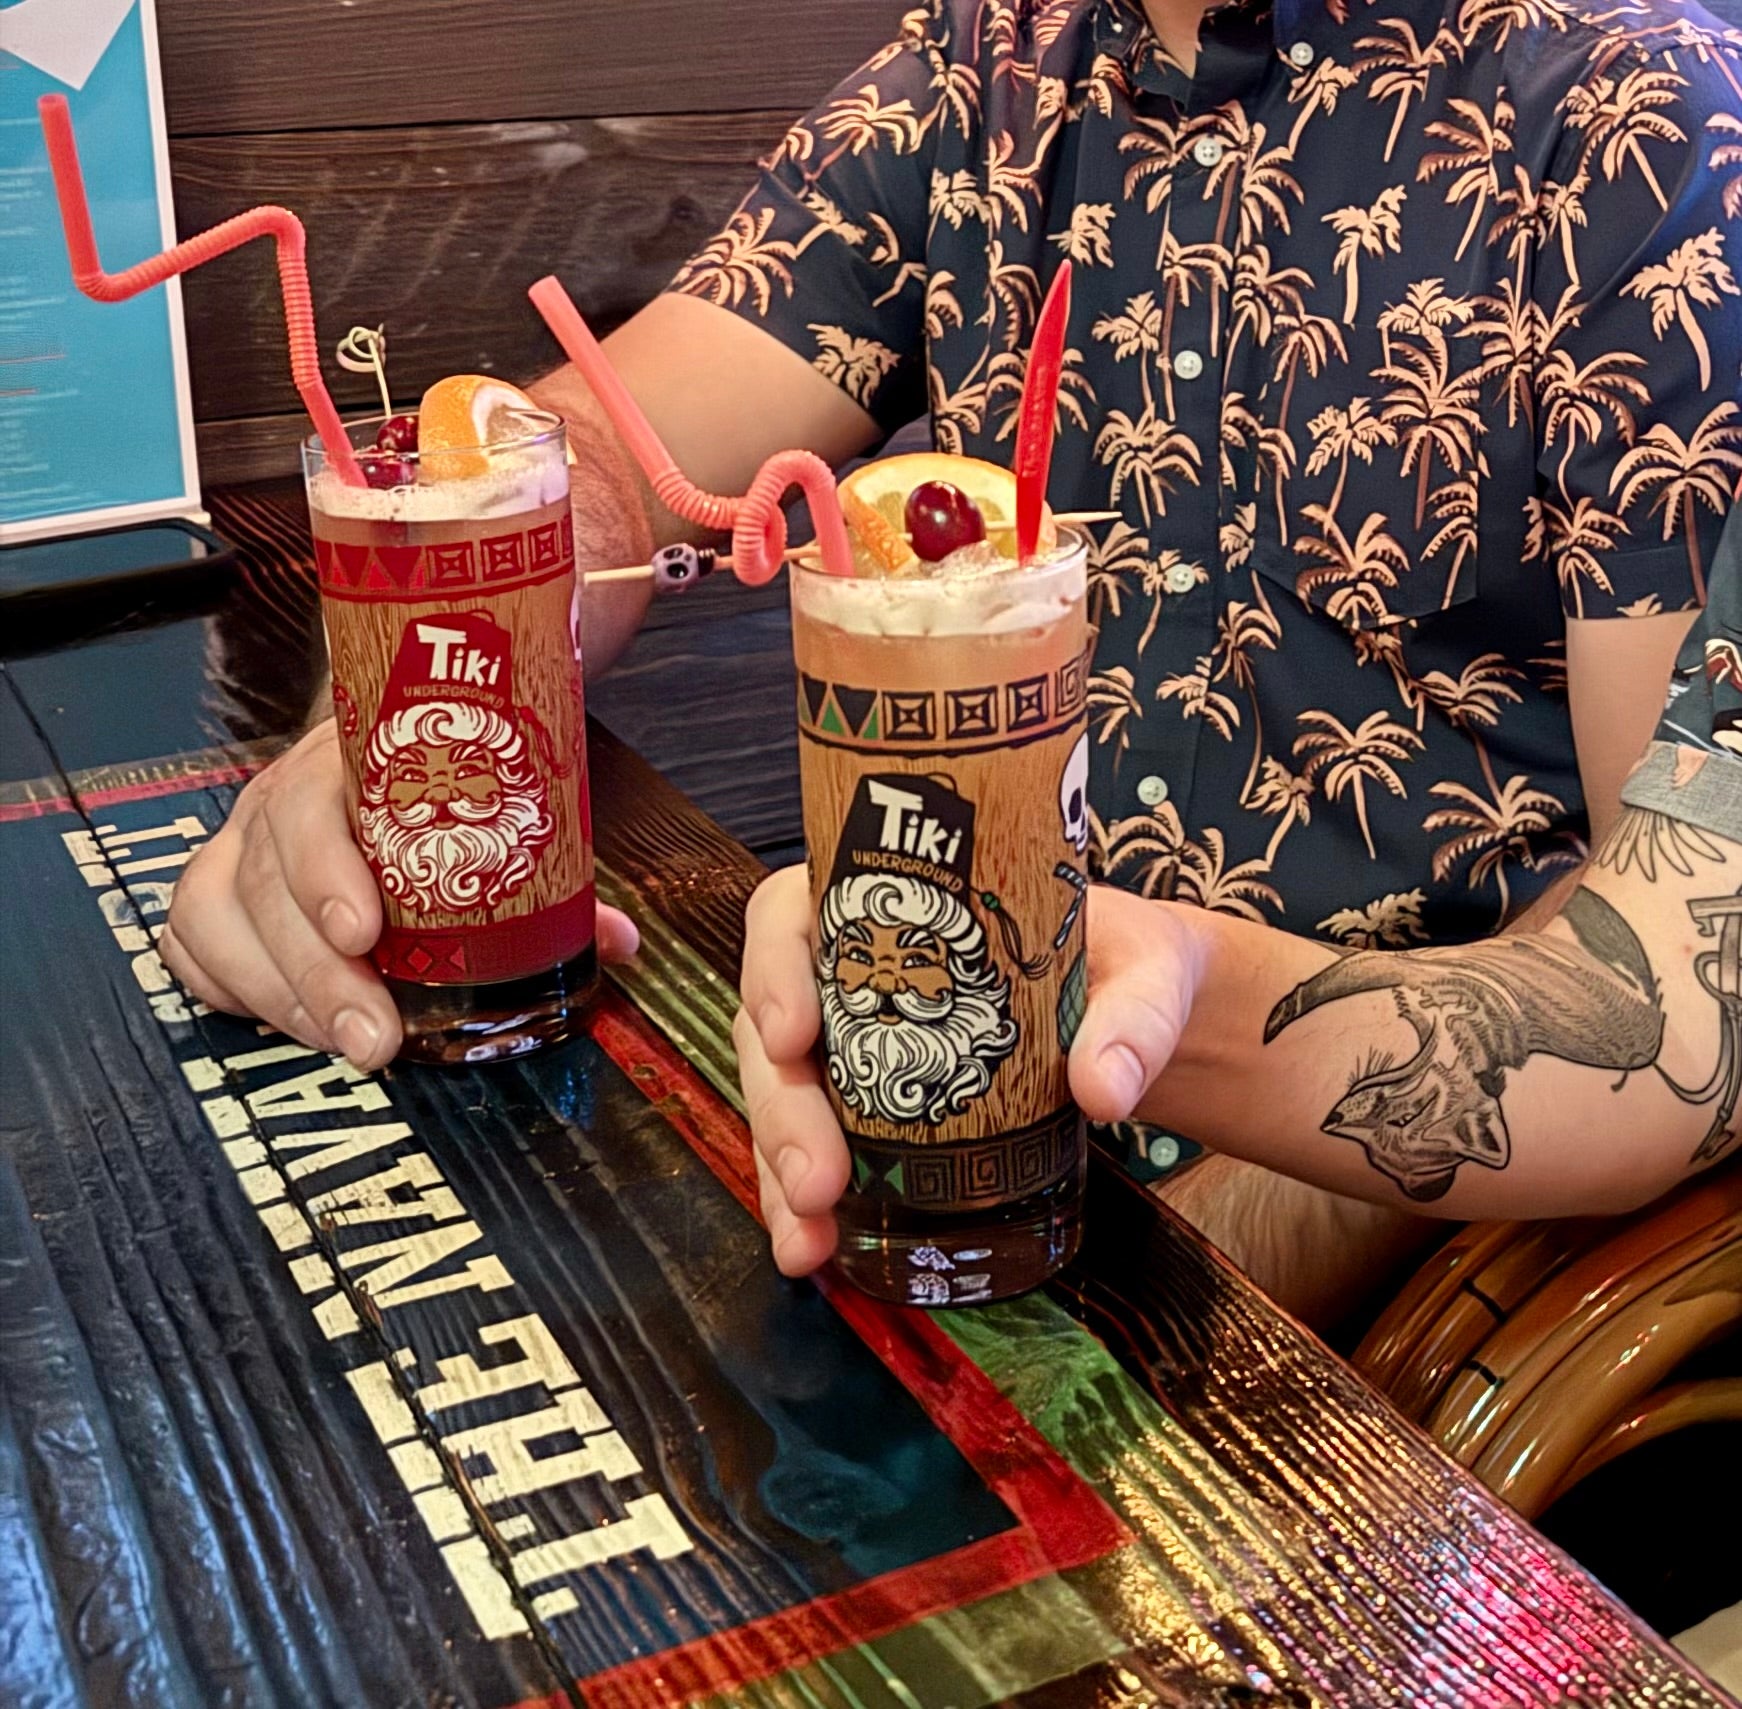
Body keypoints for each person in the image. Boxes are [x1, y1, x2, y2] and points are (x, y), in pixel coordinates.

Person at [162, 0, 1742, 1313]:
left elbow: (1678, 957)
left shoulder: (1641, 115)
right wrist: (426, 688)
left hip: (1378, 1260)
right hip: (940, 1137)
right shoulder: (983, 65)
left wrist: (1189, 1067)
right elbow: (601, 455)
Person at [741, 509, 1742, 1319]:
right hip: (1034, 1222)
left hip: (1361, 1306)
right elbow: (1670, 971)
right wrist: (1106, 983)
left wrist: (1150, 994)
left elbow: (1679, 1016)